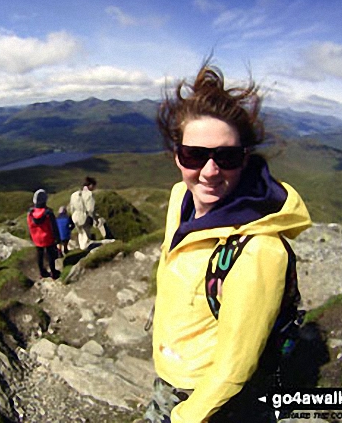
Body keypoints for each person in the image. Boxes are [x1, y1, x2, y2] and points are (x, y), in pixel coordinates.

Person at [146, 61, 312, 423]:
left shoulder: (259, 252)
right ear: (177, 155)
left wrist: (188, 415)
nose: (209, 171)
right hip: (170, 371)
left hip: (204, 396)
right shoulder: (180, 198)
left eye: (227, 157)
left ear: (245, 159)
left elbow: (235, 367)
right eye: (194, 155)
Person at [27, 189, 61, 279]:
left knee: (40, 255)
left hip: (36, 238)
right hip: (48, 238)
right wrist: (57, 238)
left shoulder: (30, 213)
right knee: (50, 254)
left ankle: (42, 272)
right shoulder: (48, 213)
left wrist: (31, 237)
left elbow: (30, 226)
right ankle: (53, 272)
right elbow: (54, 227)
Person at [68, 176, 109, 250]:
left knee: (81, 234)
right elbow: (91, 209)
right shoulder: (89, 194)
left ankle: (83, 248)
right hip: (83, 217)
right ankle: (88, 249)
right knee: (86, 235)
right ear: (91, 185)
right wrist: (95, 219)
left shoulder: (74, 194)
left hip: (75, 217)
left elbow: (71, 208)